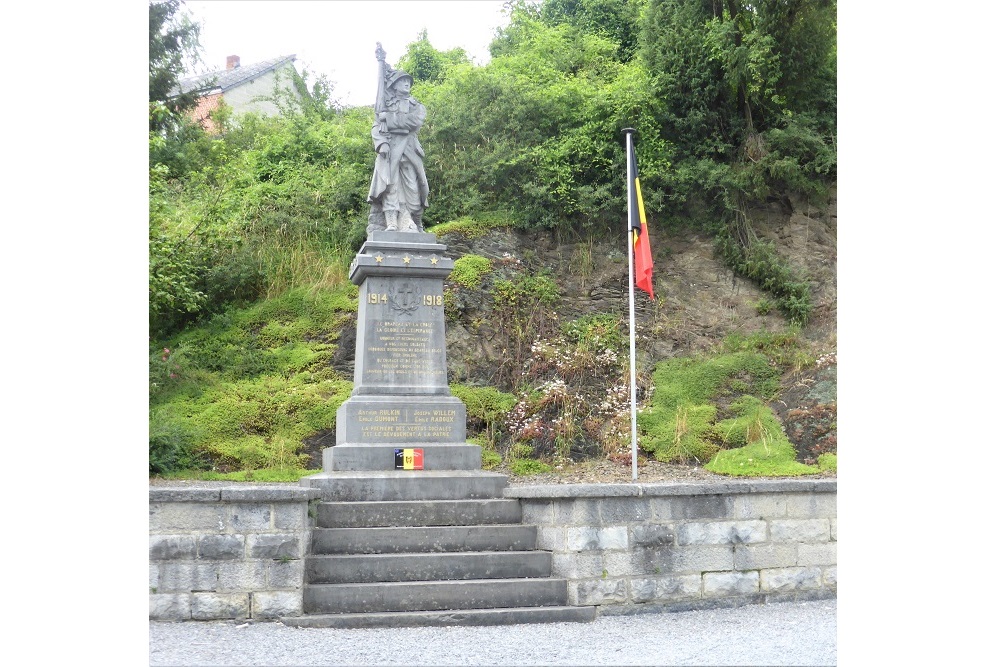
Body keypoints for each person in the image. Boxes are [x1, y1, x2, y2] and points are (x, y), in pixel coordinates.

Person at [367, 68, 429, 234]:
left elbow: (415, 121)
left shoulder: (416, 105)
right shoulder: (386, 105)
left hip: (409, 150)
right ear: (394, 85)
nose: (407, 83)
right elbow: (376, 126)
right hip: (390, 150)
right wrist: (381, 144)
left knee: (414, 187)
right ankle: (392, 222)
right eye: (403, 80)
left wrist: (388, 118)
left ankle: (416, 222)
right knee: (390, 186)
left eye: (408, 80)